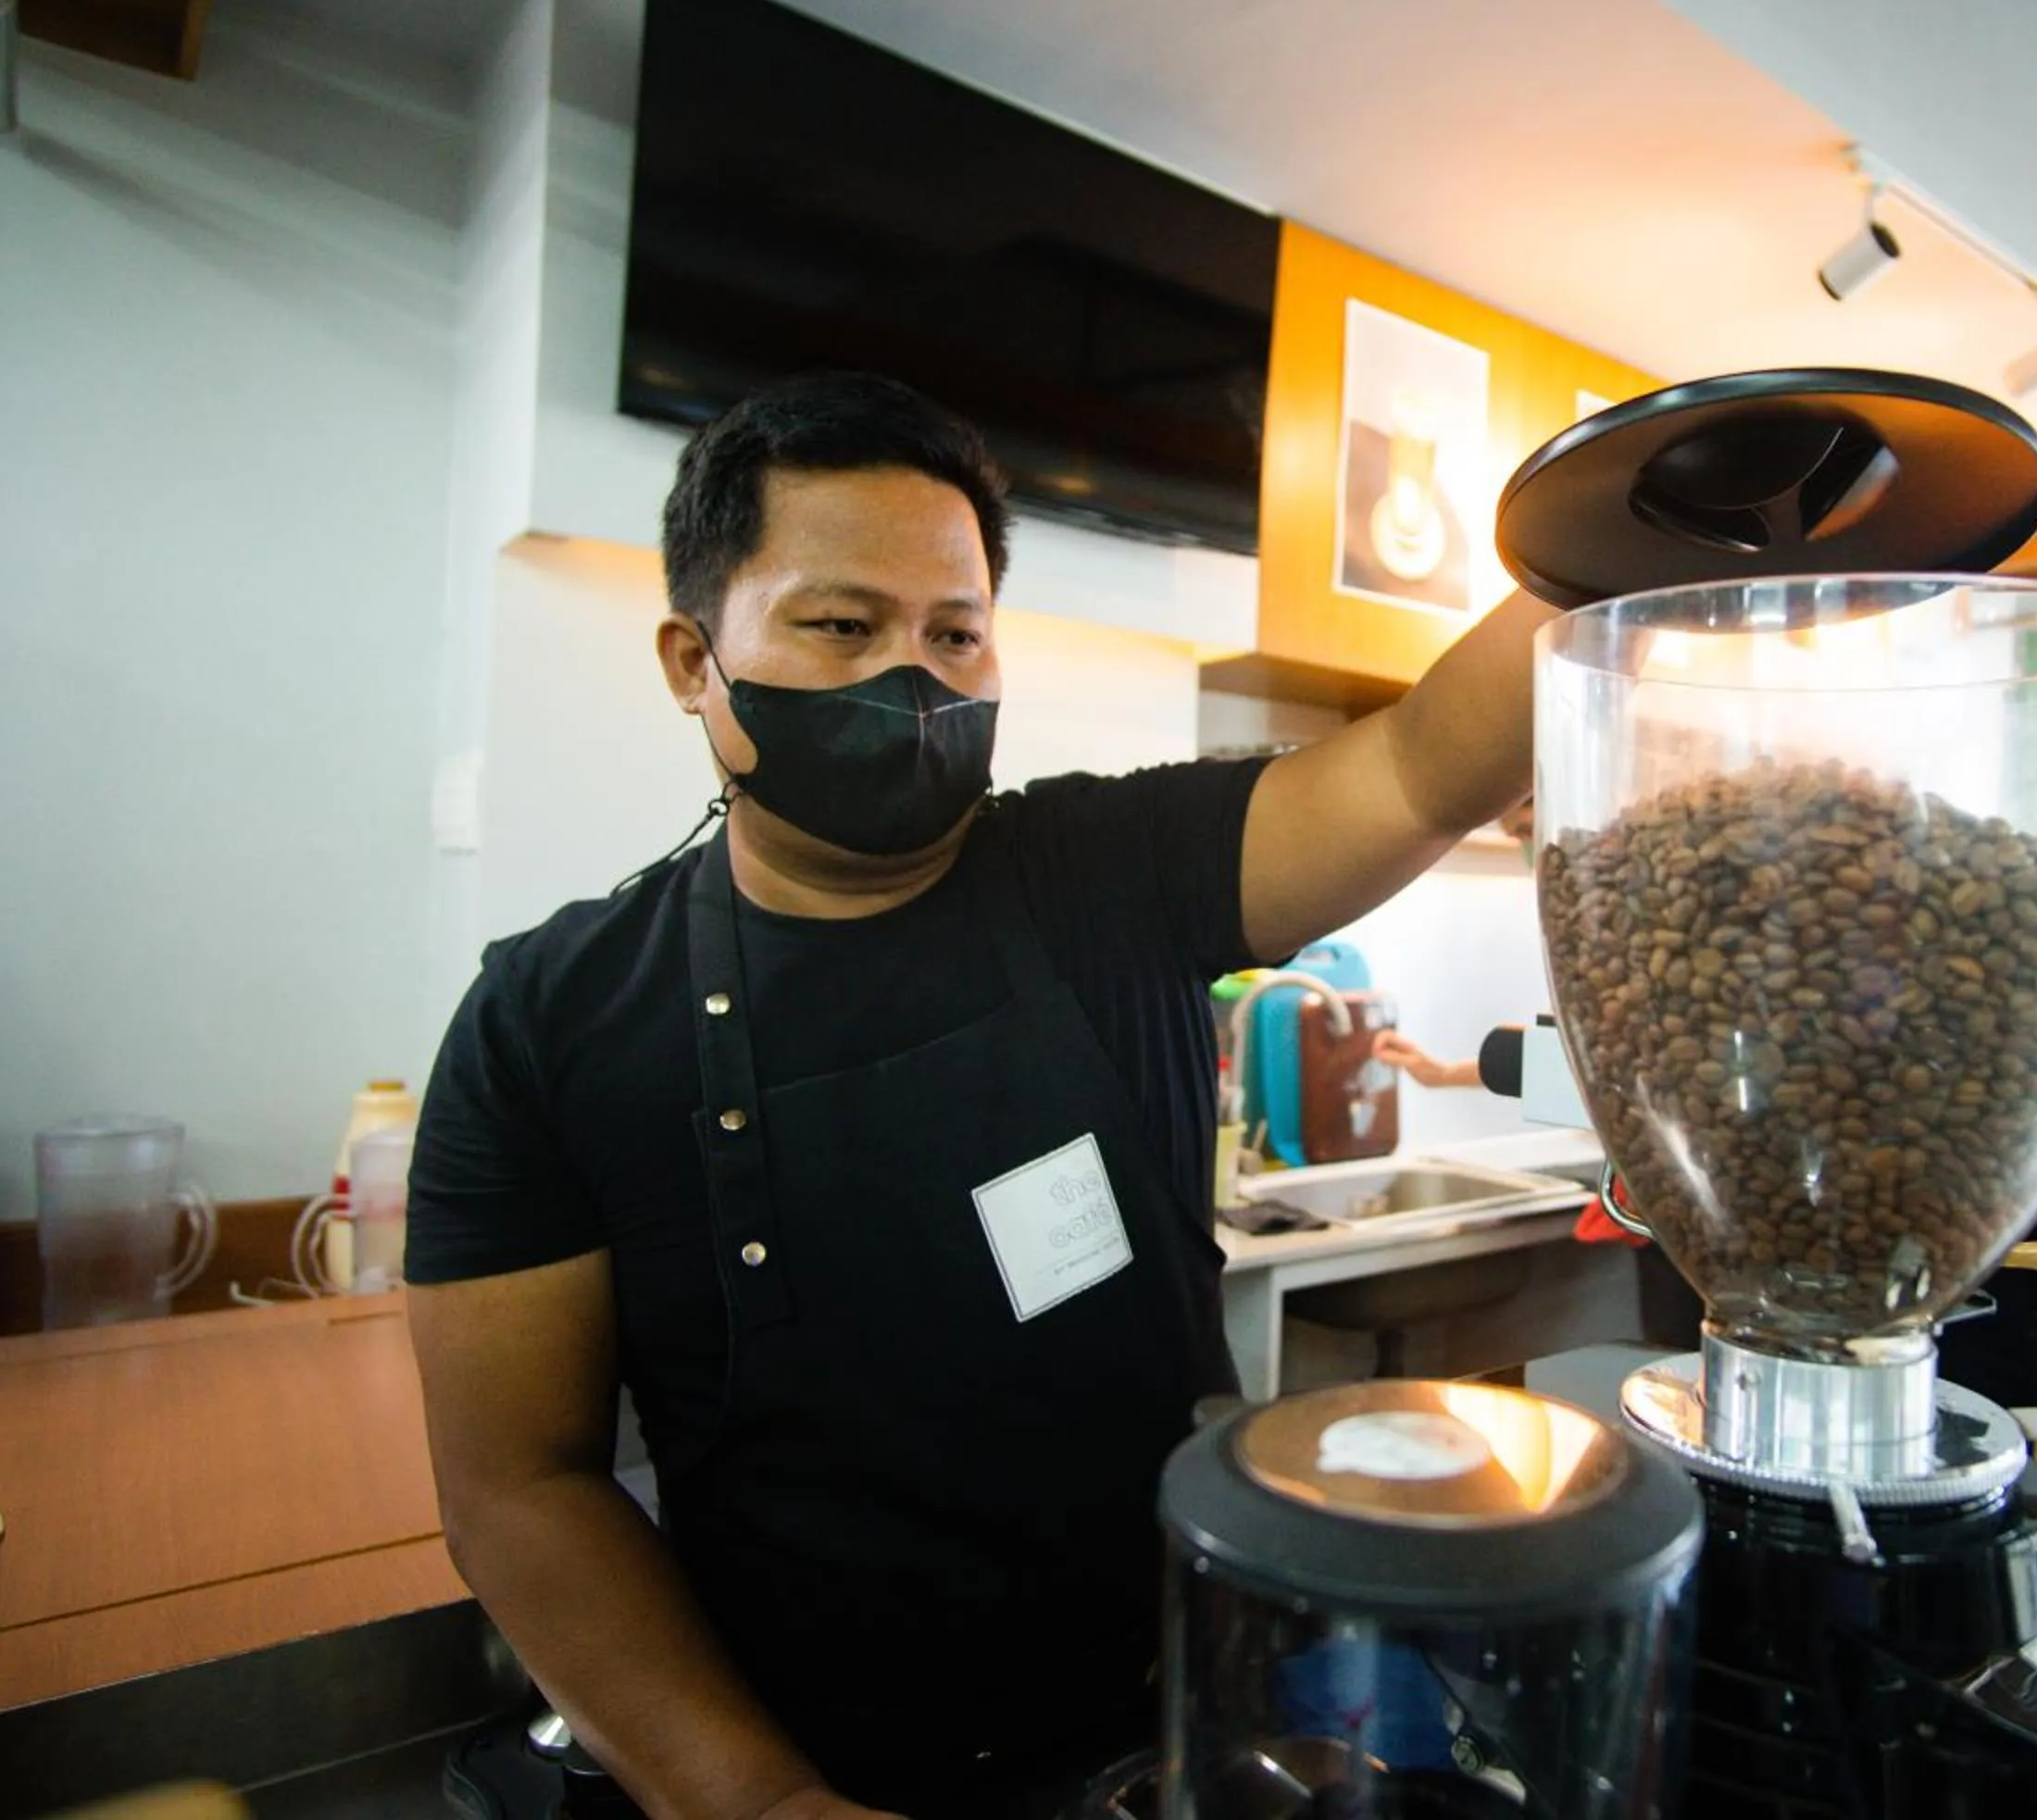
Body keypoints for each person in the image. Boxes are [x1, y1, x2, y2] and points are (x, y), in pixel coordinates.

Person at [402, 373, 1552, 1819]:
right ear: (694, 660)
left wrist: (1628, 532)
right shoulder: (549, 1020)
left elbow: (1414, 762)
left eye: (955, 633)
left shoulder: (1115, 874)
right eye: (841, 626)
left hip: (1170, 1718)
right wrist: (757, 1804)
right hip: (801, 1757)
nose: (915, 678)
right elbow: (520, 1486)